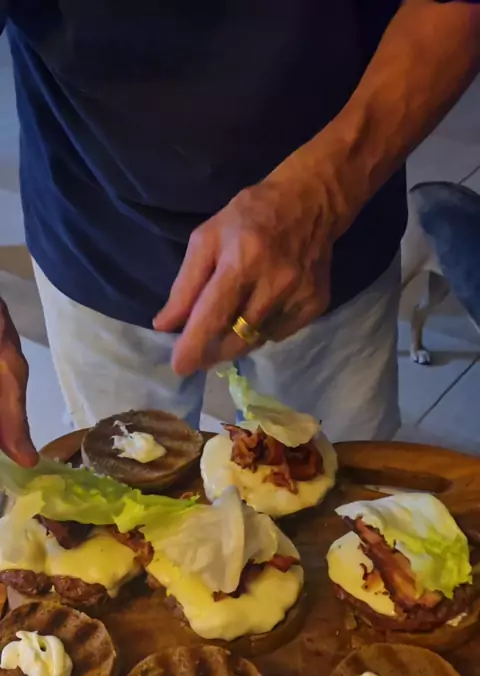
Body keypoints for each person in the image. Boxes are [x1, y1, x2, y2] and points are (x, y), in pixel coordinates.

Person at [0, 1, 479, 467]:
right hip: (91, 231)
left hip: (334, 242)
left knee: (339, 485)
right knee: (114, 491)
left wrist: (327, 191)